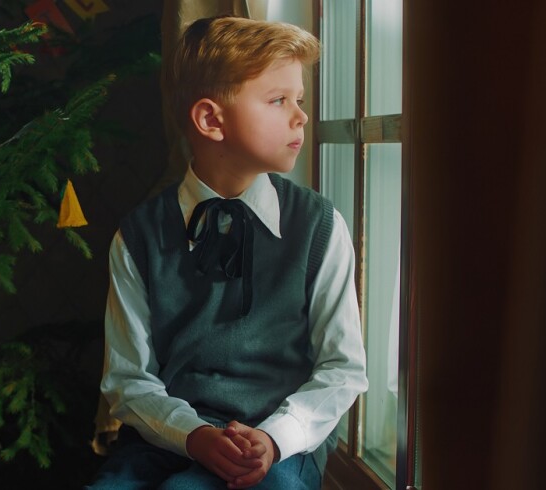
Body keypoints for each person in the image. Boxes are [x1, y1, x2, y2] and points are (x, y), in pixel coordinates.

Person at [87, 15, 368, 490]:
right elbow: (128, 378)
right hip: (166, 438)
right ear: (211, 120)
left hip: (277, 440)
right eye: (279, 100)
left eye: (299, 100)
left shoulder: (319, 226)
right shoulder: (138, 236)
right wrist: (195, 436)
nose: (301, 116)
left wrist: (275, 438)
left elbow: (343, 369)